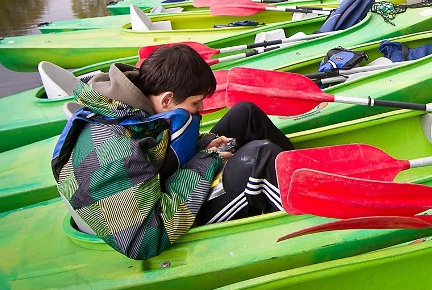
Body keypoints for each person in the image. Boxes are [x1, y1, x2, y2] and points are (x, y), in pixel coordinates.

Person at [51, 44, 294, 259]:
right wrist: (206, 161)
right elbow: (144, 241)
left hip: (156, 187)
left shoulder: (134, 106)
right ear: (167, 99)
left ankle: (307, 170)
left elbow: (157, 151)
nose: (199, 110)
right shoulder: (115, 150)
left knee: (245, 114)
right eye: (195, 103)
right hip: (156, 229)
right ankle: (300, 217)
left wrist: (202, 146)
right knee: (260, 158)